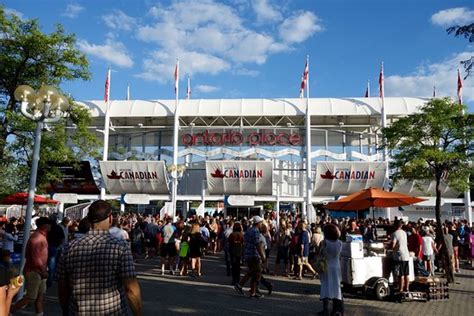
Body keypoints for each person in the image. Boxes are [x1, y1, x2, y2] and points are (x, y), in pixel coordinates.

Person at [56, 200, 142, 315]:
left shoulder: (69, 248)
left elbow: (63, 288)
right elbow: (131, 289)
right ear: (110, 219)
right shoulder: (120, 248)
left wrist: (66, 310)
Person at [11, 217, 51, 315]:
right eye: (49, 224)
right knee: (30, 297)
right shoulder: (37, 238)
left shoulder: (41, 236)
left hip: (40, 271)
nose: (50, 226)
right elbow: (35, 258)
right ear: (44, 225)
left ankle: (39, 313)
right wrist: (43, 271)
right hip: (34, 271)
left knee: (40, 296)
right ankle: (9, 311)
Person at [234, 216, 267, 298]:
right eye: (261, 222)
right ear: (258, 223)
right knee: (256, 271)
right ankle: (241, 285)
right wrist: (263, 256)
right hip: (253, 255)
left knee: (254, 272)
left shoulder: (249, 230)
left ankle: (253, 291)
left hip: (248, 254)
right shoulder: (255, 231)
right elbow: (258, 244)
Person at [318, 224, 343, 316]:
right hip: (336, 267)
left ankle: (326, 310)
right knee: (336, 287)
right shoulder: (339, 243)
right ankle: (337, 310)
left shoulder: (324, 243)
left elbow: (320, 254)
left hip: (326, 266)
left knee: (325, 286)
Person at [390, 220, 410, 295]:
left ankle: (401, 289)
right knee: (406, 273)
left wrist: (391, 249)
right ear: (401, 226)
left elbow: (393, 245)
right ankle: (407, 288)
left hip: (399, 256)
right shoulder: (404, 233)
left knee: (400, 274)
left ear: (395, 226)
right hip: (406, 255)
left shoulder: (394, 234)